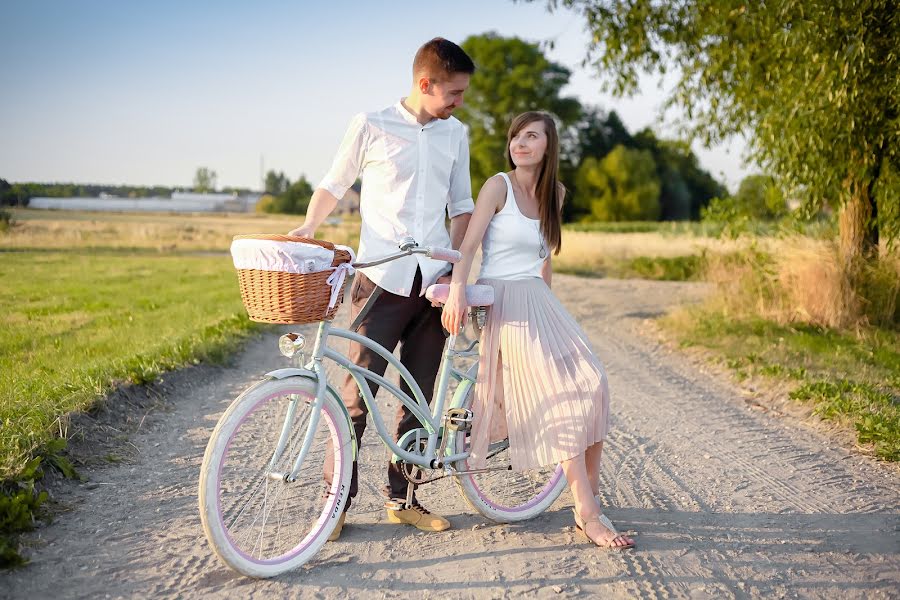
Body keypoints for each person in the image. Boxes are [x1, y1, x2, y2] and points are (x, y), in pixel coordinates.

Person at [289, 38, 475, 540]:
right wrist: (309, 226)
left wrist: (456, 271)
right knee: (355, 397)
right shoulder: (370, 124)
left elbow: (461, 207)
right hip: (380, 279)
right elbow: (335, 182)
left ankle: (404, 498)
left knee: (419, 397)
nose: (458, 102)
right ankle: (335, 503)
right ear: (425, 84)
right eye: (452, 93)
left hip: (433, 283)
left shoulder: (456, 135)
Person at [441, 111, 635, 550]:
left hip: (538, 299)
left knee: (594, 383)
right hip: (502, 298)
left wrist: (552, 312)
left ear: (549, 145)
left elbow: (543, 261)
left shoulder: (556, 194)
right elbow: (468, 247)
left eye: (532, 136)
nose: (520, 143)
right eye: (516, 136)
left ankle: (593, 497)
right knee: (558, 393)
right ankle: (586, 512)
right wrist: (457, 293)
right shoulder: (498, 186)